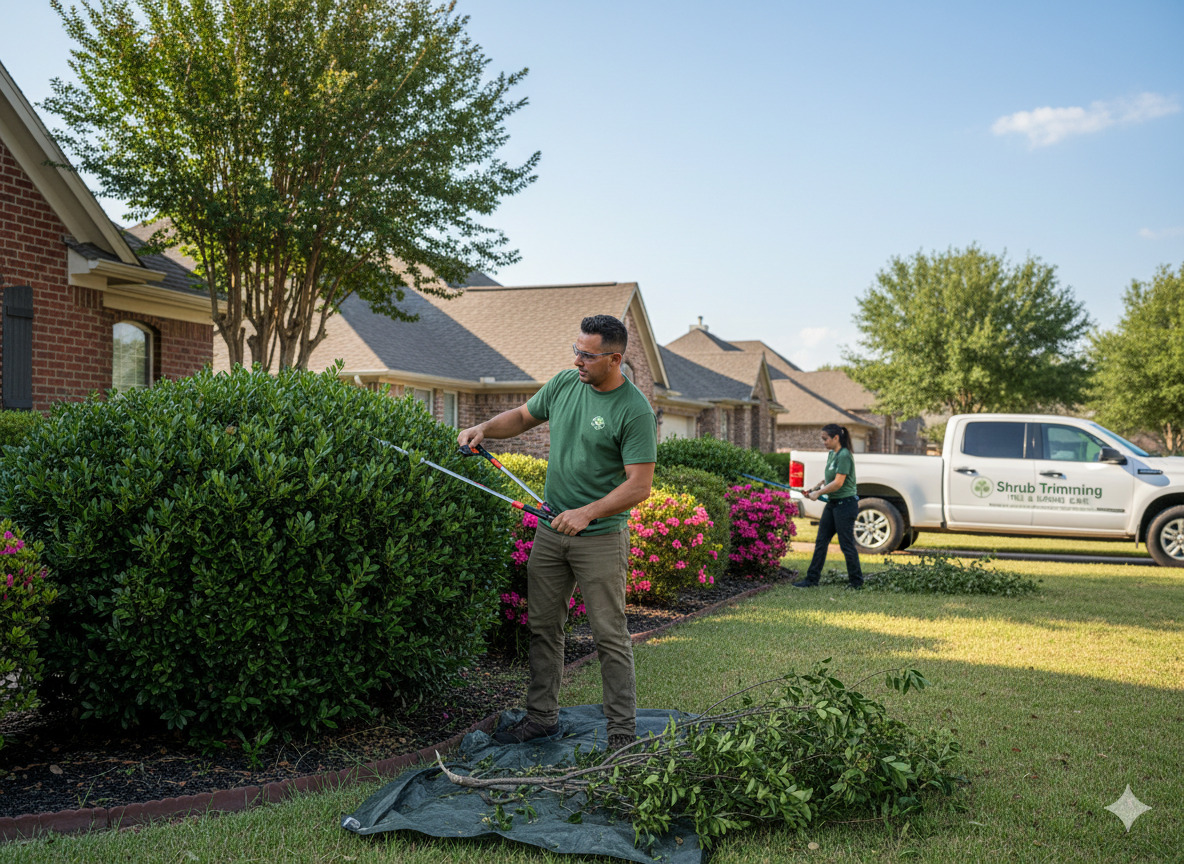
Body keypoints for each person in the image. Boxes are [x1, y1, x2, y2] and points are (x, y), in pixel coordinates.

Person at [457, 314, 657, 751]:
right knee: (544, 626)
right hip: (551, 531)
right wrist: (484, 428)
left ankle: (621, 733)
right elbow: (524, 416)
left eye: (588, 354)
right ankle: (542, 718)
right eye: (576, 350)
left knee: (610, 634)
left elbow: (639, 485)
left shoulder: (634, 410)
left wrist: (587, 512)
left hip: (600, 537)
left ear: (615, 358)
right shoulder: (566, 384)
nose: (578, 360)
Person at [793, 423, 863, 589]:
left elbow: (838, 483)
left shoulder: (844, 455)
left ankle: (856, 582)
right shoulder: (833, 454)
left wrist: (818, 494)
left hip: (845, 506)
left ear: (836, 438)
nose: (823, 442)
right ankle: (811, 580)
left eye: (825, 439)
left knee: (846, 545)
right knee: (821, 541)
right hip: (833, 505)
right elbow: (829, 479)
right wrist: (814, 489)